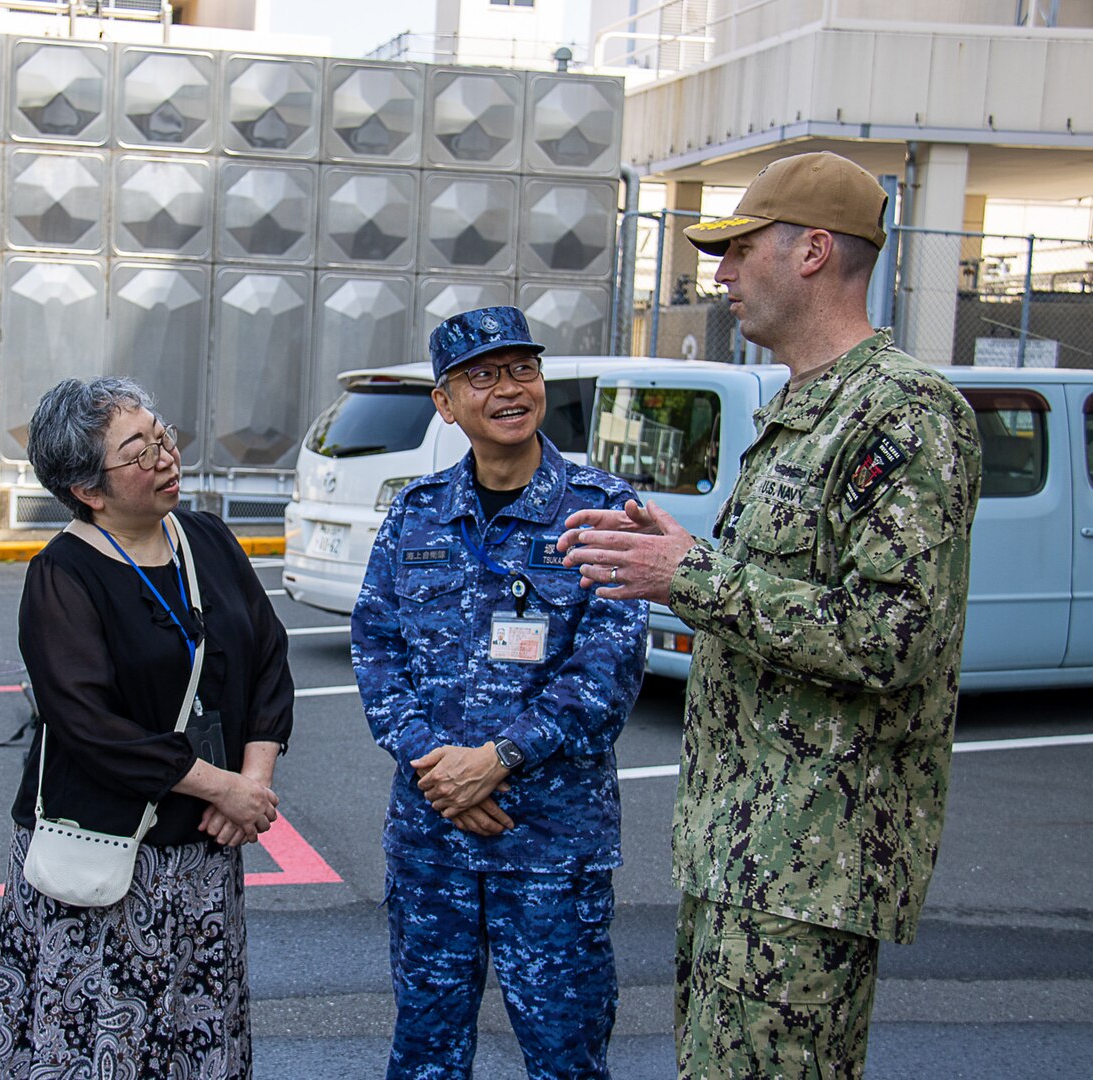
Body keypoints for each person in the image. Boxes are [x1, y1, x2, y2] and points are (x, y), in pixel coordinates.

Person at [557, 152, 983, 1080]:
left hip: (810, 865)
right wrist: (683, 554)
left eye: (739, 250)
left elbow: (892, 638)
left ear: (815, 252)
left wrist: (696, 576)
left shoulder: (903, 413)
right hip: (743, 852)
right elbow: (790, 596)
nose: (719, 276)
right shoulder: (804, 406)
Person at [351, 306, 648, 1079]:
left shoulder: (601, 509)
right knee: (425, 1052)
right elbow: (375, 648)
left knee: (565, 1055)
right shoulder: (416, 513)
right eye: (481, 376)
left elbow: (607, 672)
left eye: (522, 369)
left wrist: (500, 758)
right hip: (433, 838)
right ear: (445, 404)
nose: (509, 388)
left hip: (548, 842)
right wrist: (438, 768)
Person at [0, 377, 294, 1079]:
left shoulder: (208, 539)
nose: (164, 457)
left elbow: (270, 657)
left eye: (163, 436)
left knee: (196, 1040)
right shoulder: (63, 575)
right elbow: (88, 724)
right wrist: (222, 787)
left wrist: (253, 781)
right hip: (107, 862)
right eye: (138, 450)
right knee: (100, 1048)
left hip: (205, 859)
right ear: (88, 489)